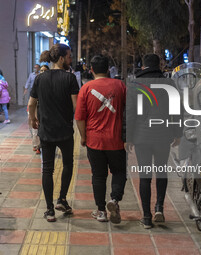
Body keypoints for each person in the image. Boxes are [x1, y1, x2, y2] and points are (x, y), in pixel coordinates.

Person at [126, 54, 182, 229]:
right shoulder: (170, 84)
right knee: (161, 171)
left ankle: (147, 217)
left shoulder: (134, 85)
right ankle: (159, 208)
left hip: (142, 137)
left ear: (143, 67)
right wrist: (177, 133)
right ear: (159, 65)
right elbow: (177, 110)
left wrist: (128, 138)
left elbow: (130, 114)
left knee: (145, 176)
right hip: (163, 135)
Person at [28, 44, 79, 222]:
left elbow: (31, 104)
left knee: (47, 170)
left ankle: (50, 210)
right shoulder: (70, 78)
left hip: (46, 131)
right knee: (67, 165)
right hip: (65, 131)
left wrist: (33, 120)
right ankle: (62, 200)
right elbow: (76, 107)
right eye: (69, 56)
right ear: (61, 58)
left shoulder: (40, 78)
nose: (71, 60)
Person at [75, 55, 127, 223]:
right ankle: (114, 200)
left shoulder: (86, 88)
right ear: (108, 69)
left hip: (94, 140)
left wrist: (83, 137)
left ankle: (101, 211)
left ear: (91, 70)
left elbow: (79, 117)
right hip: (116, 140)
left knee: (98, 176)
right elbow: (129, 111)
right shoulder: (120, 85)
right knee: (119, 172)